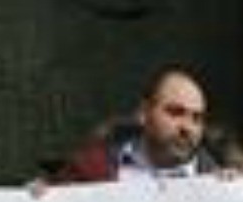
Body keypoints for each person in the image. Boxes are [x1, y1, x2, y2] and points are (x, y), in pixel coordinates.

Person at [51, 65, 224, 183]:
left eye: (197, 118)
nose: (187, 127)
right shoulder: (89, 171)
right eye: (175, 112)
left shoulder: (222, 183)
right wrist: (36, 199)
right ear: (143, 113)